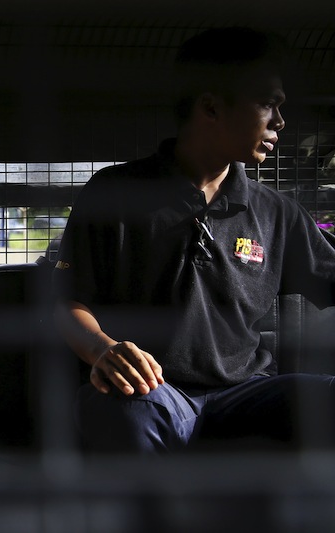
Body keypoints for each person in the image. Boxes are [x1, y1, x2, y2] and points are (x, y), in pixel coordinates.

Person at [52, 27, 335, 454]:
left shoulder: (278, 213)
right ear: (210, 107)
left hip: (245, 396)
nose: (279, 122)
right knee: (123, 410)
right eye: (268, 105)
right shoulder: (115, 193)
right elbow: (65, 302)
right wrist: (104, 351)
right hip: (151, 391)